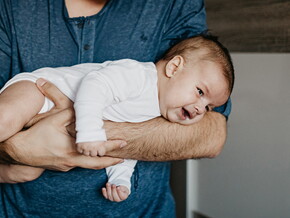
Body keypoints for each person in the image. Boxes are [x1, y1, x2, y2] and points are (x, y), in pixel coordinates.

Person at [0, 0, 231, 216]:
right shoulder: (140, 76)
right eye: (200, 93)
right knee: (5, 120)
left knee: (26, 171)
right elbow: (95, 84)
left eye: (209, 107)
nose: (201, 108)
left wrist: (120, 180)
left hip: (144, 211)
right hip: (38, 88)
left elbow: (128, 153)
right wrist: (88, 131)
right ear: (174, 67)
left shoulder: (159, 107)